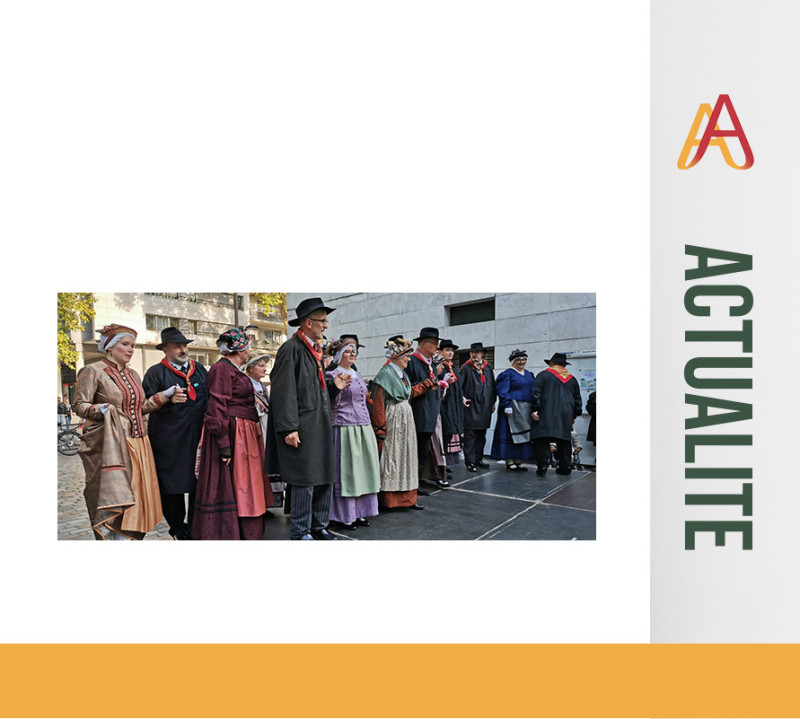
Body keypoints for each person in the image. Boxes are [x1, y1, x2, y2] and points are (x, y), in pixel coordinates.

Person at [73, 324, 185, 540]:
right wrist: (100, 409)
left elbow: (140, 407)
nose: (131, 349)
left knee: (139, 498)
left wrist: (165, 395)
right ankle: (119, 539)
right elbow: (79, 406)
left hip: (140, 441)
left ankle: (131, 538)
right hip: (114, 444)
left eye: (132, 345)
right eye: (125, 344)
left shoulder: (133, 373)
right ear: (110, 346)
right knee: (120, 495)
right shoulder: (93, 371)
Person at [268, 298, 350, 540]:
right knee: (305, 478)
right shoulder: (291, 349)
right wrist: (288, 427)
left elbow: (314, 390)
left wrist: (334, 386)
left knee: (324, 475)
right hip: (302, 426)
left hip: (319, 424)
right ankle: (301, 529)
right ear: (307, 322)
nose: (325, 326)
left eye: (325, 321)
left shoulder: (313, 350)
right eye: (322, 321)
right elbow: (284, 392)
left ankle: (318, 525)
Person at [193, 328, 273, 540]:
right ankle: (228, 532)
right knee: (235, 481)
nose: (249, 350)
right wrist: (223, 442)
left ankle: (246, 529)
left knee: (245, 481)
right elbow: (217, 404)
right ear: (239, 349)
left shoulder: (233, 369)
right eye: (246, 346)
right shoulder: (222, 369)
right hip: (234, 432)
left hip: (243, 431)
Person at [142, 326, 209, 540]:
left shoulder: (198, 368)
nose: (183, 350)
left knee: (199, 482)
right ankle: (178, 529)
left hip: (197, 437)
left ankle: (196, 524)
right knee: (173, 486)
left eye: (184, 345)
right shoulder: (155, 372)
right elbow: (144, 404)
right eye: (177, 346)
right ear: (165, 350)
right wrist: (167, 399)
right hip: (169, 441)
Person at [326, 338, 380, 529]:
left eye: (354, 351)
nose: (352, 354)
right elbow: (329, 401)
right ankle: (345, 514)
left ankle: (361, 512)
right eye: (348, 351)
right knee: (348, 472)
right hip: (344, 427)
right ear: (339, 355)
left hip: (363, 427)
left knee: (363, 470)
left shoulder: (356, 373)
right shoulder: (331, 374)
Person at [368, 336, 424, 510]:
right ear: (397, 356)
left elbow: (407, 394)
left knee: (407, 457)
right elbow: (378, 402)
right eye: (406, 356)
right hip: (393, 420)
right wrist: (380, 428)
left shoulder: (403, 375)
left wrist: (426, 385)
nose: (409, 359)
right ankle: (390, 501)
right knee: (392, 458)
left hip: (406, 419)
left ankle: (409, 498)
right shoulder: (384, 375)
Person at [406, 327, 451, 489]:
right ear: (424, 344)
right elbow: (408, 388)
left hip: (430, 413)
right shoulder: (412, 361)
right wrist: (428, 385)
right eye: (434, 345)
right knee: (416, 451)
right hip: (419, 413)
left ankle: (419, 480)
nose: (436, 348)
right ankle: (413, 484)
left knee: (424, 451)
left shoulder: (430, 362)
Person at [531, 352, 583, 477]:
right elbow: (577, 399)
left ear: (552, 363)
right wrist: (574, 415)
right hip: (565, 414)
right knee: (564, 440)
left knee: (542, 439)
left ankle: (543, 467)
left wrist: (534, 409)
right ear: (564, 365)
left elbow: (536, 394)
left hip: (545, 412)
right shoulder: (572, 379)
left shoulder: (543, 375)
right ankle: (565, 467)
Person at [244, 352, 284, 507]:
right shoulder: (246, 384)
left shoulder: (262, 386)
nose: (264, 368)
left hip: (266, 424)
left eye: (264, 365)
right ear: (250, 368)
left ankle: (269, 500)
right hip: (255, 426)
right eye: (260, 365)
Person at [490, 349, 536, 471]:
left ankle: (519, 459)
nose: (522, 362)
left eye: (524, 360)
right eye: (519, 360)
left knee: (523, 435)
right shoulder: (507, 374)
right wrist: (507, 405)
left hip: (526, 408)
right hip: (512, 407)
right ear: (513, 361)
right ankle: (509, 459)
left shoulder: (529, 374)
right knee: (510, 434)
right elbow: (502, 390)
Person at [458, 342, 497, 472]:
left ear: (482, 354)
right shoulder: (466, 367)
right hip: (471, 406)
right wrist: (462, 398)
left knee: (481, 435)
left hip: (485, 407)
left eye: (477, 352)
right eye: (472, 352)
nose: (475, 355)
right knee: (470, 435)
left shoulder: (487, 367)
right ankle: (470, 461)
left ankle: (478, 459)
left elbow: (492, 386)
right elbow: (459, 387)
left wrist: (493, 402)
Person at [437, 340, 464, 467]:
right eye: (447, 350)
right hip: (445, 406)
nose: (450, 353)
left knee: (452, 432)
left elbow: (459, 387)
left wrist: (462, 397)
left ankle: (447, 464)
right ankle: (441, 465)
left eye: (452, 350)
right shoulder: (439, 367)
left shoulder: (453, 368)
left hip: (455, 405)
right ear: (440, 352)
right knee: (444, 433)